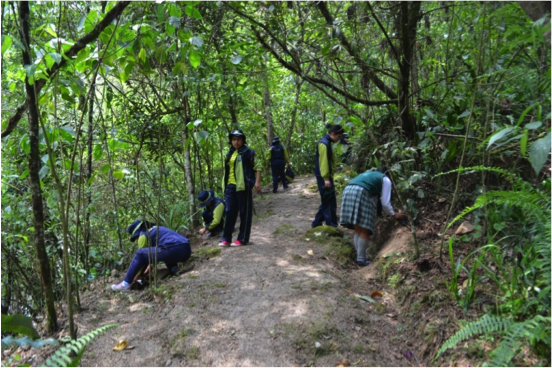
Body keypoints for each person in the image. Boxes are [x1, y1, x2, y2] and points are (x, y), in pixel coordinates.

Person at [340, 167, 407, 266]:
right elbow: (385, 202)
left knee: (358, 228)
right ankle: (361, 259)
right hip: (361, 192)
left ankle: (359, 256)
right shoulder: (385, 179)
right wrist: (393, 214)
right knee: (365, 228)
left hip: (348, 190)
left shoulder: (370, 175)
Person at [111, 220, 192, 291]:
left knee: (140, 253)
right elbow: (152, 256)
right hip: (186, 249)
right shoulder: (155, 229)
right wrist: (147, 271)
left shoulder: (142, 236)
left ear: (137, 233)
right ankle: (175, 269)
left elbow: (142, 259)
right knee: (163, 251)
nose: (137, 240)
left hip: (173, 248)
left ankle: (125, 284)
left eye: (136, 238)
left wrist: (136, 277)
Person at [219, 129, 263, 247]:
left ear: (243, 140)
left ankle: (242, 238)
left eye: (238, 139)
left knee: (245, 213)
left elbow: (258, 166)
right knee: (229, 212)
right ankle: (226, 239)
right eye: (234, 139)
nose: (236, 142)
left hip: (243, 186)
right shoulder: (230, 153)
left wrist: (257, 182)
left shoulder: (248, 152)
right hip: (230, 186)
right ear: (231, 141)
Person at [312, 123, 344, 228]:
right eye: (339, 137)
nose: (339, 139)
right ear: (333, 134)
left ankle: (316, 223)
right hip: (323, 177)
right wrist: (326, 178)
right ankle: (332, 226)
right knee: (330, 202)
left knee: (327, 200)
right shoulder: (324, 144)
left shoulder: (328, 142)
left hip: (326, 176)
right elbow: (323, 162)